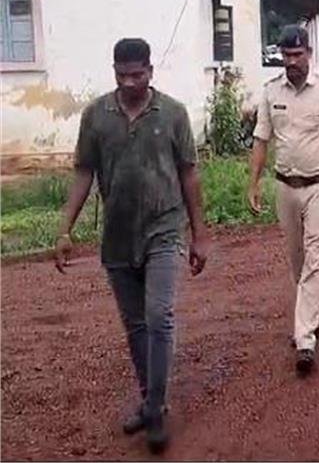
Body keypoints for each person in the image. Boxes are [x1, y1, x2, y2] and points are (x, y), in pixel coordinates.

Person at [54, 37, 210, 454]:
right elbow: (84, 172)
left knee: (159, 316)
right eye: (121, 75)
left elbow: (189, 174)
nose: (129, 82)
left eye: (136, 75)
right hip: (118, 236)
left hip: (164, 229)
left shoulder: (173, 114)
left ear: (150, 72)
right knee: (136, 326)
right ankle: (150, 398)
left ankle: (155, 409)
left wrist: (199, 235)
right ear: (114, 72)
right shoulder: (96, 116)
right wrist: (65, 229)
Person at [247, 24, 319, 377]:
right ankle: (315, 315)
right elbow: (261, 140)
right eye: (286, 55)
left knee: (315, 257)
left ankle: (304, 339)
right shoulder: (271, 92)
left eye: (298, 55)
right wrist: (253, 184)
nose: (292, 62)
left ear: (309, 54)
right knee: (297, 262)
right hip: (285, 187)